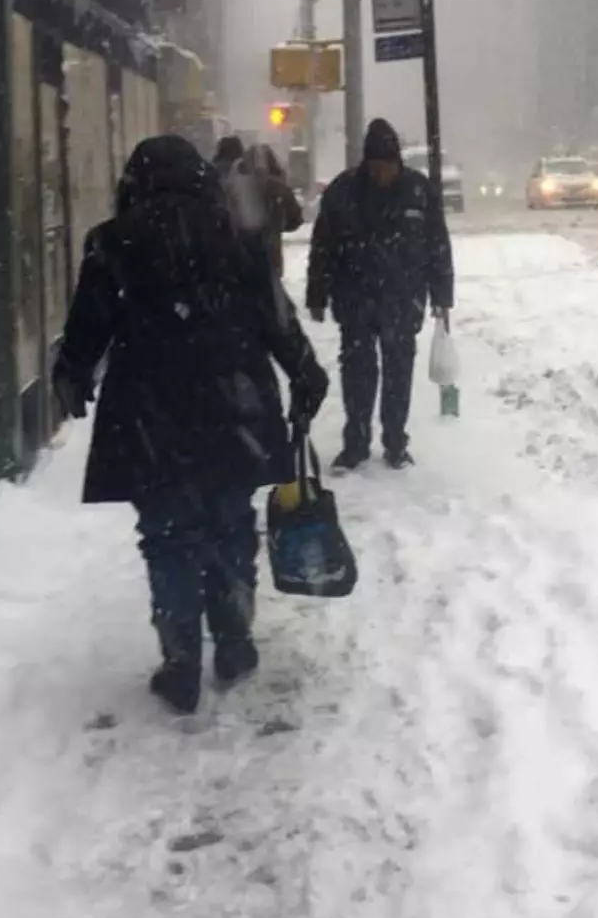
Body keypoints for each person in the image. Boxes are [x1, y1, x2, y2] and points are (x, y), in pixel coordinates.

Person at [53, 135, 328, 715]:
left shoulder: (114, 241)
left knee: (168, 536)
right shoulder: (238, 234)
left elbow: (88, 325)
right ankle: (233, 640)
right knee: (229, 522)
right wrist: (304, 371)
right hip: (233, 406)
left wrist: (72, 376)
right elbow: (274, 315)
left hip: (151, 413)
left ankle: (180, 662)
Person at [306, 118, 453, 472]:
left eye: (386, 166)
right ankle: (355, 443)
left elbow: (438, 244)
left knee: (398, 372)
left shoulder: (419, 191)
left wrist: (442, 294)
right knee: (358, 372)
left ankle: (395, 442)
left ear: (397, 162)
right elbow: (323, 245)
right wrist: (318, 293)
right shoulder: (343, 192)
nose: (380, 174)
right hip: (354, 297)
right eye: (374, 166)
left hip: (403, 299)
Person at [224, 143, 304, 279]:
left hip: (240, 254)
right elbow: (295, 220)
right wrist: (277, 222)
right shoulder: (278, 187)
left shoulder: (233, 186)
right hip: (270, 254)